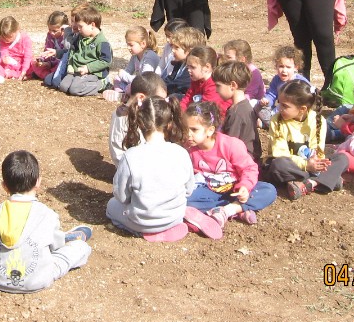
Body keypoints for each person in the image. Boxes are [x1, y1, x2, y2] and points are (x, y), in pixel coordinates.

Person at [0, 151, 93, 293]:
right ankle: (67, 238)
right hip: (37, 280)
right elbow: (55, 247)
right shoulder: (47, 214)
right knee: (80, 248)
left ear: (4, 186)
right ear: (38, 182)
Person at [105, 97, 199, 242]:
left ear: (140, 122)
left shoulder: (131, 156)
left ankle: (141, 232)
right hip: (174, 217)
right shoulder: (181, 152)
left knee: (111, 205)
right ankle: (168, 227)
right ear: (169, 124)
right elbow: (189, 190)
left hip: (142, 222)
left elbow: (121, 196)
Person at [183, 101, 277, 228]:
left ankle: (228, 210)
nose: (188, 134)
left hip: (235, 189)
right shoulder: (188, 149)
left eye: (194, 129)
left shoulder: (231, 145)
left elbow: (249, 168)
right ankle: (238, 210)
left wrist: (244, 187)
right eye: (186, 129)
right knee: (184, 199)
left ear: (210, 130)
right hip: (209, 192)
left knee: (268, 190)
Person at [261, 80, 349, 200]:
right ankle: (325, 180)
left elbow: (317, 151)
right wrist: (306, 165)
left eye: (285, 106)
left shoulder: (318, 120)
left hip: (310, 166)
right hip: (290, 166)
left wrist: (317, 163)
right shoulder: (277, 120)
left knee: (342, 158)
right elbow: (279, 154)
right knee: (278, 165)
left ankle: (309, 184)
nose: (279, 108)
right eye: (279, 103)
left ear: (302, 109)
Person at [109, 71, 168, 165]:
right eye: (158, 100)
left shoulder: (133, 113)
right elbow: (122, 156)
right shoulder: (125, 118)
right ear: (141, 97)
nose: (160, 105)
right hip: (134, 170)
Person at [57, 6, 113, 96]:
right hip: (77, 71)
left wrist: (88, 68)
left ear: (92, 25)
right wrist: (71, 65)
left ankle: (102, 84)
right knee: (63, 86)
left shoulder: (102, 43)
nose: (78, 29)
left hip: (93, 72)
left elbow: (106, 61)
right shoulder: (80, 37)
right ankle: (79, 82)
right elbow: (72, 50)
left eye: (81, 26)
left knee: (75, 89)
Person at [213, 60, 262, 162]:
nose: (216, 90)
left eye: (218, 86)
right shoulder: (241, 106)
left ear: (232, 85)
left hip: (242, 160)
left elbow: (229, 144)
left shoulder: (237, 113)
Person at [257, 45, 311, 127]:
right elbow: (272, 94)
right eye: (281, 66)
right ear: (276, 66)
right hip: (281, 109)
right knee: (255, 104)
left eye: (288, 67)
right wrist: (266, 101)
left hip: (296, 113)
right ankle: (272, 123)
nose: (284, 70)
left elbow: (310, 97)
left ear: (296, 67)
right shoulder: (277, 79)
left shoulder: (300, 82)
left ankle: (270, 124)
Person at [105, 26, 160, 102]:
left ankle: (125, 96)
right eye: (127, 44)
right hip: (138, 82)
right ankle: (122, 94)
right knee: (117, 79)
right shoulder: (135, 57)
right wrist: (121, 76)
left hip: (149, 86)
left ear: (143, 44)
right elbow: (128, 71)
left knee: (130, 86)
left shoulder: (149, 57)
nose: (128, 48)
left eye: (131, 45)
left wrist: (123, 75)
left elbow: (144, 80)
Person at [0, 16, 34, 84]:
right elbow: (3, 50)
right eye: (4, 38)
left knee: (31, 65)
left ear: (17, 30)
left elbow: (28, 55)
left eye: (10, 37)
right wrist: (4, 57)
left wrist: (24, 69)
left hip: (21, 62)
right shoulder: (2, 39)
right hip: (10, 61)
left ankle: (11, 74)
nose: (7, 40)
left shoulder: (25, 38)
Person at [162, 26, 206, 98]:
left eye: (176, 48)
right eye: (172, 47)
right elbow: (169, 79)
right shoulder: (179, 63)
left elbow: (178, 85)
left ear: (189, 51)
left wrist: (162, 90)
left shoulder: (191, 69)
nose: (172, 50)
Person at [28, 11, 70, 81]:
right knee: (34, 64)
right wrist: (41, 59)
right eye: (49, 30)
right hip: (50, 62)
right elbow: (47, 49)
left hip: (60, 63)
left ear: (63, 29)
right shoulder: (50, 35)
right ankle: (48, 75)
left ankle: (49, 76)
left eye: (55, 31)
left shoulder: (66, 38)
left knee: (57, 68)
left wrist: (49, 64)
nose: (51, 33)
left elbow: (64, 56)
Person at [180, 46, 222, 113]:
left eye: (193, 67)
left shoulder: (214, 85)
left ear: (207, 67)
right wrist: (180, 111)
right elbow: (187, 98)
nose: (188, 70)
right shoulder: (196, 80)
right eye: (188, 66)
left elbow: (205, 110)